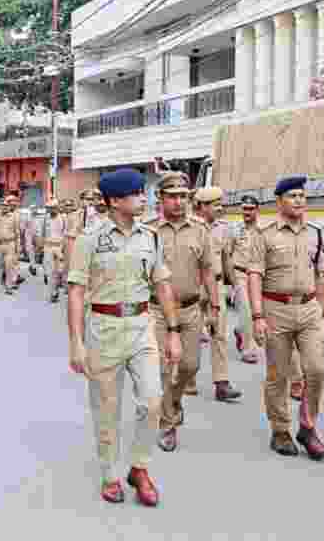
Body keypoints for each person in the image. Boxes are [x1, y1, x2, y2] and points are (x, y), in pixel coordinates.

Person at [67, 168, 182, 506]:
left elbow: (161, 284)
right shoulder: (90, 238)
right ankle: (110, 473)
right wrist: (76, 341)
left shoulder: (151, 237)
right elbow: (76, 291)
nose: (143, 199)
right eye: (137, 194)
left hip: (142, 327)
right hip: (103, 329)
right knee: (106, 408)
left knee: (152, 401)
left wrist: (173, 333)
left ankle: (139, 467)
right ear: (115, 201)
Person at [248, 175, 324, 460]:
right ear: (280, 201)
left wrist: (322, 309)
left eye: (302, 196)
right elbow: (255, 275)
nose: (299, 201)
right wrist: (257, 316)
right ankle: (280, 429)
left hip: (308, 309)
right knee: (278, 374)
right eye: (293, 196)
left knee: (316, 369)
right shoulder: (265, 234)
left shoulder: (315, 233)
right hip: (275, 308)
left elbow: (320, 274)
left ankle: (307, 426)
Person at [148, 172, 216, 452]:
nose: (179, 202)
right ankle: (168, 423)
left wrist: (215, 306)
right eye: (172, 196)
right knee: (164, 369)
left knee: (190, 366)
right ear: (161, 199)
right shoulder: (148, 231)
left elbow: (208, 269)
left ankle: (174, 401)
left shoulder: (200, 230)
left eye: (183, 197)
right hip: (156, 310)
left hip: (190, 309)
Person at [194, 186, 242, 402]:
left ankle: (221, 383)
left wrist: (234, 284)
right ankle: (187, 379)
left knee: (219, 334)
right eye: (215, 205)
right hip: (194, 289)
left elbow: (226, 259)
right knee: (190, 335)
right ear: (201, 207)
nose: (220, 208)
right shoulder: (190, 227)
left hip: (217, 286)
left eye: (220, 204)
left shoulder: (224, 229)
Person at [229, 194, 266, 365]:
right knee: (245, 309)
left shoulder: (264, 230)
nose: (247, 212)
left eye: (251, 209)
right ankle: (248, 349)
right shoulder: (235, 230)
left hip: (258, 276)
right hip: (240, 275)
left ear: (257, 210)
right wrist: (231, 283)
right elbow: (227, 256)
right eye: (244, 208)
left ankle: (240, 331)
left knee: (256, 311)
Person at [0, 195, 22, 295]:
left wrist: (18, 246)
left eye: (6, 206)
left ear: (9, 207)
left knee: (9, 266)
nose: (4, 207)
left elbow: (17, 233)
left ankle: (8, 287)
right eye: (2, 205)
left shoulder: (13, 217)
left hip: (9, 244)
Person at [42, 200, 68, 303]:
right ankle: (53, 293)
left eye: (52, 208)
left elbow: (65, 234)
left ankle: (56, 288)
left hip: (59, 247)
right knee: (49, 271)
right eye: (48, 208)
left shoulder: (63, 218)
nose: (50, 210)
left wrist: (64, 248)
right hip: (48, 247)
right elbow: (43, 233)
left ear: (56, 208)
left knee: (59, 271)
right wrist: (41, 247)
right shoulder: (45, 218)